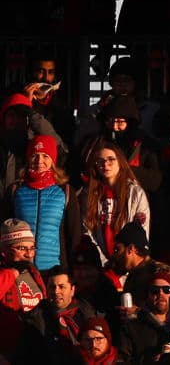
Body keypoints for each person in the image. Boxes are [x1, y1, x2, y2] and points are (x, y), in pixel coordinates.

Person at [8, 134, 81, 270]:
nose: (39, 160)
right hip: (20, 269)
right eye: (34, 155)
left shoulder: (65, 191)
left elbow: (74, 235)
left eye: (45, 156)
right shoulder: (15, 190)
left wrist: (72, 270)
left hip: (54, 270)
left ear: (53, 160)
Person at [79, 142, 150, 266]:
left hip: (128, 262)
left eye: (111, 159)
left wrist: (126, 261)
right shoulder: (90, 194)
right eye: (100, 161)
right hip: (101, 263)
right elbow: (86, 230)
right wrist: (103, 262)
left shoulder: (135, 192)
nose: (105, 165)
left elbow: (141, 231)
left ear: (120, 162)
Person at [0, 219, 47, 357]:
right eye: (22, 248)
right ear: (4, 250)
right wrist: (13, 272)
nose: (29, 254)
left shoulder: (34, 272)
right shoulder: (5, 273)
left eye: (32, 248)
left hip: (37, 350)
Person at [117, 270, 170, 364]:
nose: (161, 294)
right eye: (155, 290)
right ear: (147, 294)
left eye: (166, 290)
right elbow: (123, 360)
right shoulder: (132, 326)